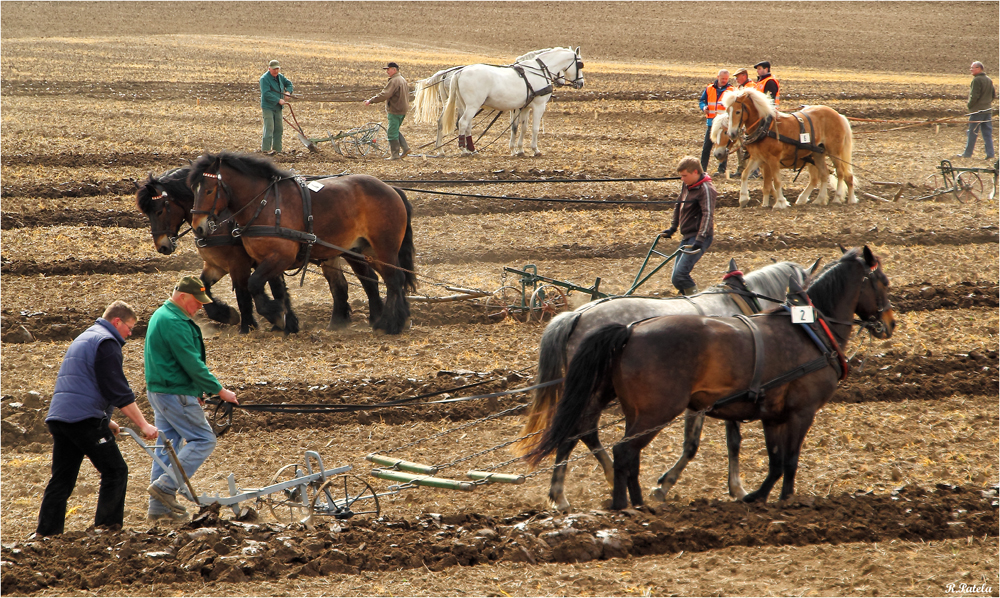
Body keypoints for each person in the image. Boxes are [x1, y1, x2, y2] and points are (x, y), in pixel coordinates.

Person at [35, 302, 158, 536]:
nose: (130, 333)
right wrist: (143, 424)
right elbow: (117, 389)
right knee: (115, 470)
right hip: (82, 419)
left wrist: (105, 419)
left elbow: (84, 383)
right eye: (130, 327)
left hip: (62, 418)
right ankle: (107, 530)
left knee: (62, 479)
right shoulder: (107, 343)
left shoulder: (86, 337)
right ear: (117, 322)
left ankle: (46, 535)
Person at [144, 276, 239, 521]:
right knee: (203, 440)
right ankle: (165, 487)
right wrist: (219, 391)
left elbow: (178, 362)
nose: (200, 307)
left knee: (169, 447)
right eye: (197, 302)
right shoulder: (173, 321)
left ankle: (158, 509)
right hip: (174, 391)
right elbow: (191, 363)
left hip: (163, 391)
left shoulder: (163, 315)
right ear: (182, 296)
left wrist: (197, 393)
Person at [660, 156, 717, 296]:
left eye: (684, 175)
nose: (682, 179)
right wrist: (673, 228)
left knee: (680, 275)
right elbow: (679, 205)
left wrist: (700, 239)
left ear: (695, 172)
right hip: (687, 236)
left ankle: (695, 300)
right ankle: (687, 297)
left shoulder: (706, 189)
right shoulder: (688, 185)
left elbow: (707, 214)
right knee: (676, 278)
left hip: (699, 237)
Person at [364, 62, 410, 160]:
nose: (387, 72)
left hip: (395, 109)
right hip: (403, 109)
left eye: (388, 69)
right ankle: (405, 148)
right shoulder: (402, 79)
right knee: (395, 129)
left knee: (391, 132)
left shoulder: (394, 81)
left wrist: (371, 101)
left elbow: (384, 94)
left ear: (394, 69)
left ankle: (395, 155)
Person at [958, 61, 996, 159]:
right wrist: (986, 104)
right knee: (987, 133)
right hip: (987, 110)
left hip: (977, 111)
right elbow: (993, 95)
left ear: (979, 69)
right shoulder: (989, 80)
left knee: (972, 132)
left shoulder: (976, 80)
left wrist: (970, 105)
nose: (971, 69)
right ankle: (990, 154)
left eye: (972, 68)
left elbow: (974, 96)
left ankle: (967, 154)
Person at [699, 69, 733, 176]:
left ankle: (721, 169)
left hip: (723, 125)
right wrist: (704, 107)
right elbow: (702, 101)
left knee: (723, 147)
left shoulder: (731, 90)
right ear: (718, 77)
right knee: (706, 148)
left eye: (726, 79)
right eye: (722, 78)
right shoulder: (709, 88)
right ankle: (702, 169)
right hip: (711, 123)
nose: (724, 81)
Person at [259, 59, 293, 155]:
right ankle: (265, 152)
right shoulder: (264, 79)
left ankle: (277, 152)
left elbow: (289, 84)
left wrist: (288, 92)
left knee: (279, 129)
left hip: (278, 108)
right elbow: (266, 93)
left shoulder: (280, 77)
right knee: (269, 129)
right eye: (274, 69)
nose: (276, 71)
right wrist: (278, 100)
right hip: (268, 107)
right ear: (269, 69)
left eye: (277, 69)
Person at [731, 68, 754, 178]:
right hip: (740, 122)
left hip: (748, 122)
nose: (736, 79)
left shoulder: (751, 87)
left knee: (750, 146)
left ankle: (754, 170)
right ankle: (741, 169)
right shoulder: (739, 88)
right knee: (739, 146)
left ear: (744, 76)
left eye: (738, 77)